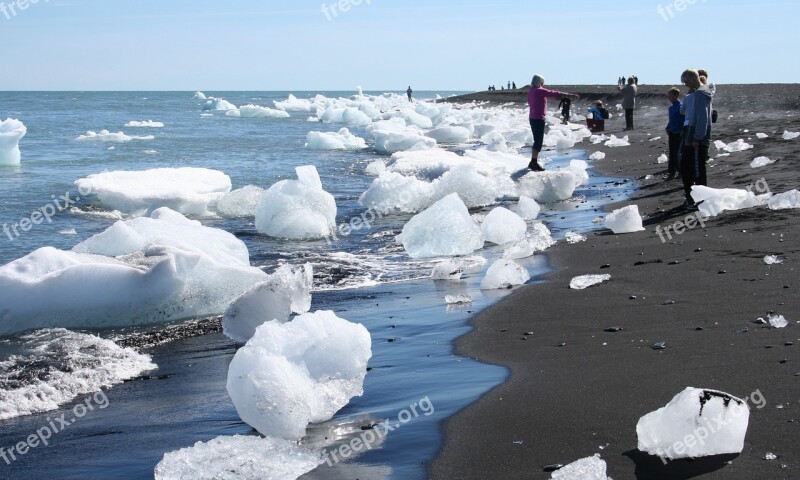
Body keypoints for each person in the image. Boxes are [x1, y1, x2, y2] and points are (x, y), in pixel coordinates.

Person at [527, 74, 579, 171]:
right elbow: (553, 93)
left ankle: (533, 161)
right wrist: (570, 95)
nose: (543, 84)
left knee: (536, 140)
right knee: (538, 141)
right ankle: (533, 162)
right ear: (540, 82)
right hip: (538, 118)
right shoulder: (539, 91)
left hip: (532, 118)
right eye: (542, 83)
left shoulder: (531, 91)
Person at [679, 68, 713, 209]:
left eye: (685, 81)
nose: (685, 84)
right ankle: (692, 197)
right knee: (686, 168)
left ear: (692, 79)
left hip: (696, 138)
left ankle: (699, 200)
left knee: (696, 170)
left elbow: (703, 118)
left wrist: (697, 137)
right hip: (691, 135)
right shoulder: (697, 93)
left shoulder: (700, 94)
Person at [665, 87, 684, 180]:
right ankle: (671, 172)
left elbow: (683, 119)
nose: (669, 98)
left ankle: (680, 171)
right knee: (672, 153)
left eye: (671, 96)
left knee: (677, 153)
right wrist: (668, 127)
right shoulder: (671, 108)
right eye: (669, 96)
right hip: (672, 131)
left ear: (676, 96)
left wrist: (682, 130)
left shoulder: (680, 106)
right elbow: (671, 120)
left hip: (678, 132)